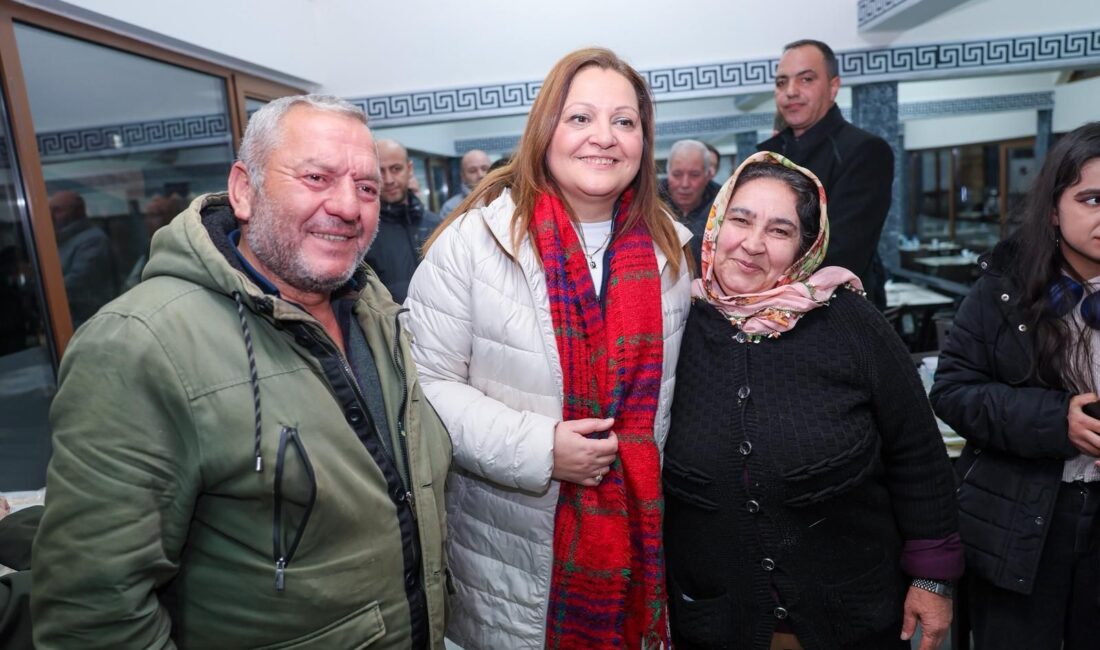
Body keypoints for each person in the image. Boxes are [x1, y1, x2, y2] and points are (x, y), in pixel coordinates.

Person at [31, 95, 452, 649]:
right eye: (317, 177)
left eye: (367, 188)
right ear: (244, 190)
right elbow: (93, 615)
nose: (349, 206)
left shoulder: (377, 315)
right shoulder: (140, 345)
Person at [405, 47, 692, 648]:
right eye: (580, 117)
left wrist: (800, 286)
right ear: (546, 130)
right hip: (507, 569)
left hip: (639, 557)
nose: (604, 138)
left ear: (644, 140)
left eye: (624, 121)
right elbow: (422, 388)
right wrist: (540, 448)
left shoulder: (670, 252)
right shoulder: (473, 243)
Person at [663, 151, 961, 650]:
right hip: (716, 617)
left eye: (779, 231)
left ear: (806, 245)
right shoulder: (676, 319)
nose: (752, 245)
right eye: (741, 219)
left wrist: (933, 579)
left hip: (849, 615)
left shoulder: (849, 321)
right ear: (716, 222)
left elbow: (918, 453)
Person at [930, 122, 1100, 650]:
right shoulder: (1001, 290)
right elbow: (953, 390)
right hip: (1022, 522)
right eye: (1091, 199)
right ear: (1053, 210)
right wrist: (1057, 420)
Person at [757, 39, 893, 309]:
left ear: (833, 87)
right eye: (782, 82)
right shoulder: (768, 155)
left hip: (834, 314)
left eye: (805, 79)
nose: (791, 91)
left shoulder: (863, 150)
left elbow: (842, 252)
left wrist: (761, 278)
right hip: (768, 308)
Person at [367, 138, 440, 303]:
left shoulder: (437, 225)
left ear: (409, 168)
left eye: (396, 169)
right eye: (380, 171)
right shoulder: (364, 233)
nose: (389, 180)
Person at [49, 189, 115, 326]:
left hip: (88, 319)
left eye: (57, 210)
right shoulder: (60, 241)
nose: (51, 216)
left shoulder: (93, 240)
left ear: (78, 212)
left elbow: (80, 281)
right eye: (49, 210)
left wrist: (45, 289)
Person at [659, 139, 721, 275]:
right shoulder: (649, 202)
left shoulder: (724, 206)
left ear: (707, 175)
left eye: (694, 175)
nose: (685, 184)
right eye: (677, 174)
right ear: (667, 173)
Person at [440, 149, 491, 217]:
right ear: (463, 176)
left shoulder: (505, 198)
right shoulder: (451, 208)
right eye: (472, 171)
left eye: (484, 169)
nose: (480, 175)